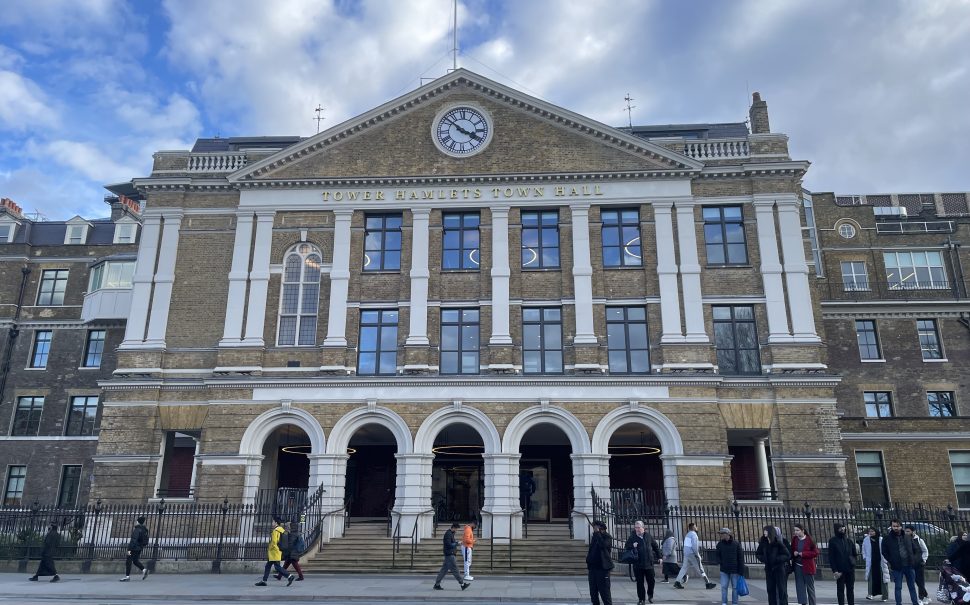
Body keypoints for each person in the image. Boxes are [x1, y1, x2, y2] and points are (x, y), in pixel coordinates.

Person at [881, 519, 920, 605]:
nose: (896, 528)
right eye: (894, 526)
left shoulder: (907, 537)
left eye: (897, 526)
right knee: (898, 587)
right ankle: (898, 603)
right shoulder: (887, 538)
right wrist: (891, 560)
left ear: (901, 526)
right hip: (897, 566)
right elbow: (884, 552)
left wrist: (914, 560)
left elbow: (916, 549)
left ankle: (915, 603)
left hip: (909, 565)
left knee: (912, 586)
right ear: (891, 526)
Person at [625, 520, 662, 605]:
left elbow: (655, 547)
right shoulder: (632, 537)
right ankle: (641, 599)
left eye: (638, 527)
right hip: (638, 564)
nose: (637, 529)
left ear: (643, 528)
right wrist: (632, 546)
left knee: (651, 581)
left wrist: (659, 557)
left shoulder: (648, 536)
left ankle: (650, 595)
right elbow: (626, 547)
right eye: (636, 527)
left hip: (649, 563)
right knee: (640, 583)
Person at [674, 522, 716, 590]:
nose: (697, 527)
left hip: (686, 553)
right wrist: (697, 555)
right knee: (700, 568)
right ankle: (707, 583)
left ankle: (677, 582)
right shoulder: (694, 535)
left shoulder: (687, 534)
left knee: (684, 568)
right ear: (693, 527)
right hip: (692, 554)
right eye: (696, 526)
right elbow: (694, 547)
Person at [757, 525, 792, 605]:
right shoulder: (763, 542)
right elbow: (758, 553)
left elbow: (787, 555)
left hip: (779, 569)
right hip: (769, 569)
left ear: (770, 532)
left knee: (781, 590)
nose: (764, 532)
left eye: (765, 531)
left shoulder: (778, 543)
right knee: (770, 589)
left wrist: (777, 559)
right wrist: (764, 559)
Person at [255, 517, 294, 587]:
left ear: (276, 523)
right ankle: (264, 580)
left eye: (273, 522)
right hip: (278, 551)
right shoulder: (282, 530)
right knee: (268, 566)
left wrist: (270, 548)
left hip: (274, 552)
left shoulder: (275, 531)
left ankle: (289, 576)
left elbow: (274, 542)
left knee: (277, 567)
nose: (272, 523)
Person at [434, 522, 470, 591]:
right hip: (450, 555)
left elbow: (450, 543)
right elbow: (449, 544)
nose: (457, 530)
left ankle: (437, 584)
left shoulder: (450, 534)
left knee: (443, 570)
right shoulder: (448, 534)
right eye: (456, 529)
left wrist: (456, 543)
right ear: (453, 528)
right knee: (455, 570)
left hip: (449, 555)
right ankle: (462, 584)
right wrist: (457, 543)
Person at [829, 522, 858, 605]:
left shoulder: (849, 541)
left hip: (850, 569)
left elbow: (854, 554)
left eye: (843, 528)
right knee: (840, 590)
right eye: (840, 528)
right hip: (839, 570)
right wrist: (835, 570)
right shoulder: (833, 541)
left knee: (850, 589)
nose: (842, 530)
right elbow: (831, 557)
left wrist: (853, 563)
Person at [714, 527, 745, 605]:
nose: (721, 535)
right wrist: (720, 562)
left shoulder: (736, 544)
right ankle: (724, 602)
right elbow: (717, 555)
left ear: (727, 534)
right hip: (724, 569)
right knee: (724, 587)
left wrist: (741, 570)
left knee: (735, 587)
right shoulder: (720, 544)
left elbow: (741, 557)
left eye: (722, 534)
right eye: (720, 534)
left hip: (735, 570)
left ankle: (735, 603)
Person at [586, 520, 614, 605]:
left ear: (601, 529)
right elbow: (591, 550)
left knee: (605, 593)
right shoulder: (595, 537)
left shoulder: (607, 537)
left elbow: (603, 545)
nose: (594, 530)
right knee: (593, 592)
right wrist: (588, 560)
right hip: (593, 568)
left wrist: (597, 533)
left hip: (603, 569)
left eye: (596, 528)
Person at [793, 523, 819, 605]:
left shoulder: (809, 539)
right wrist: (794, 553)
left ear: (802, 531)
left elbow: (815, 552)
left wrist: (802, 554)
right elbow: (792, 549)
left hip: (808, 566)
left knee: (810, 587)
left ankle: (812, 603)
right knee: (800, 586)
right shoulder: (795, 539)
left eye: (797, 530)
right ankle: (803, 602)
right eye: (795, 530)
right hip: (798, 566)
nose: (796, 532)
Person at [904, 526, 928, 605]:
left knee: (920, 581)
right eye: (906, 531)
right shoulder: (904, 540)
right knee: (915, 582)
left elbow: (925, 550)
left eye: (908, 531)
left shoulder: (919, 540)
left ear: (913, 532)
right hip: (909, 564)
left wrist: (924, 560)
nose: (906, 533)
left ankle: (920, 598)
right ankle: (926, 596)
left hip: (919, 564)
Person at [120, 516, 150, 581]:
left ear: (138, 522)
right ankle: (144, 570)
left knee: (128, 561)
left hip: (132, 548)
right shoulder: (144, 530)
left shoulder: (137, 529)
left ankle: (127, 576)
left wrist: (129, 549)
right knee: (135, 561)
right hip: (139, 548)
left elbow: (134, 540)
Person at [864, 527, 889, 601]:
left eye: (872, 531)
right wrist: (865, 557)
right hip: (871, 562)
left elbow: (886, 549)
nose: (871, 533)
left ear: (876, 532)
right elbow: (864, 549)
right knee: (871, 578)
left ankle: (885, 596)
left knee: (883, 579)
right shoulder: (866, 540)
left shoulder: (881, 539)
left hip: (880, 562)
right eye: (870, 531)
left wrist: (886, 559)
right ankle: (870, 594)